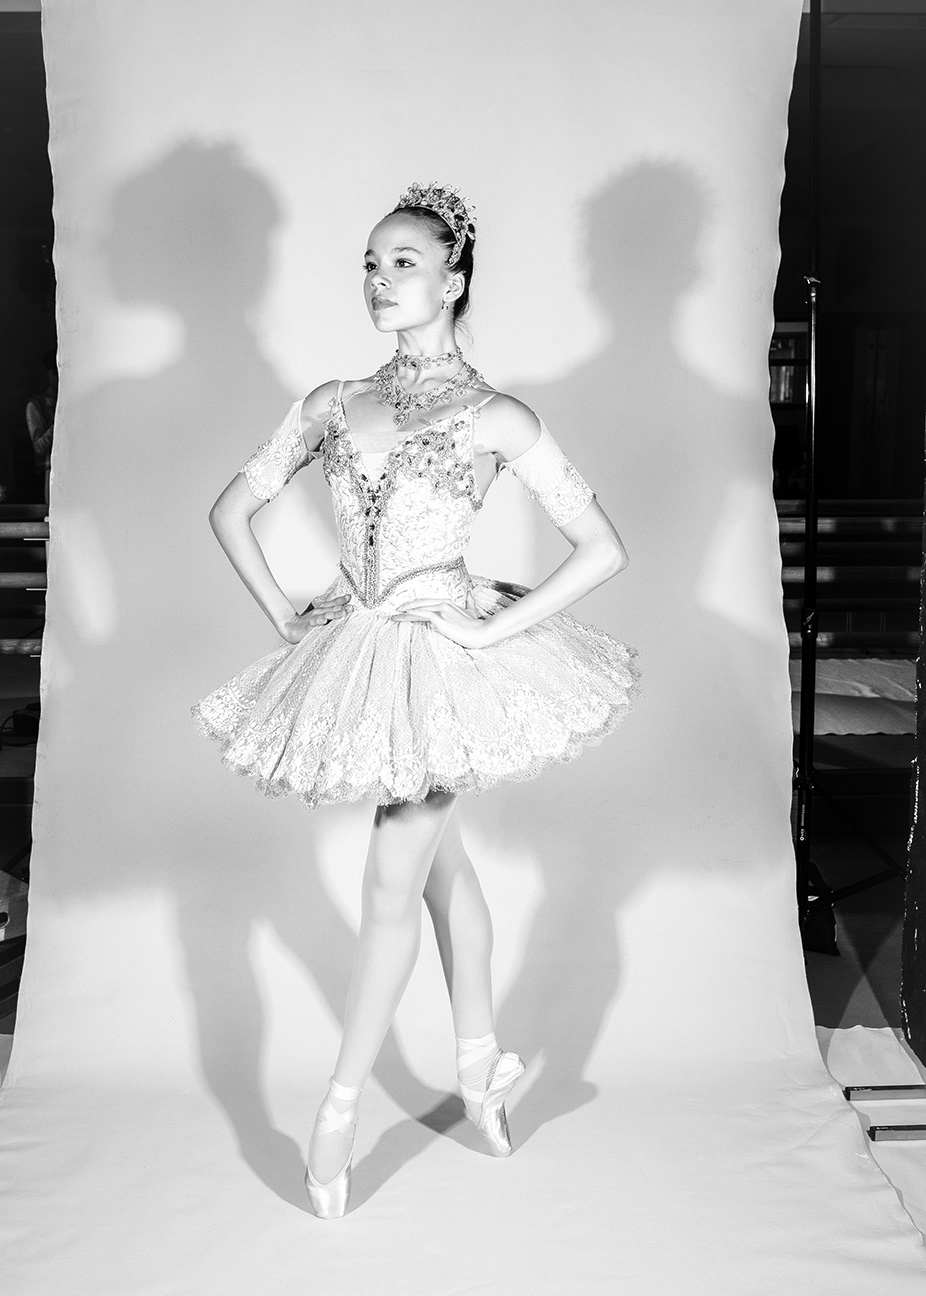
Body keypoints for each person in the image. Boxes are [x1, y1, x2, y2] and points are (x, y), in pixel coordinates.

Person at [192, 182, 640, 1219]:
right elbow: (230, 510)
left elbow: (602, 547)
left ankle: (340, 1105)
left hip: (442, 662)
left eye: (402, 262)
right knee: (441, 869)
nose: (379, 280)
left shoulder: (496, 417)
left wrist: (486, 633)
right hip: (358, 648)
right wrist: (283, 615)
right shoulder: (331, 403)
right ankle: (480, 1061)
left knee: (395, 877)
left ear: (453, 279)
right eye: (370, 262)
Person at [25, 349, 57, 505]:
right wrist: (59, 421)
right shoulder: (36, 406)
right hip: (50, 471)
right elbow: (39, 447)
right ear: (49, 374)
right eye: (54, 373)